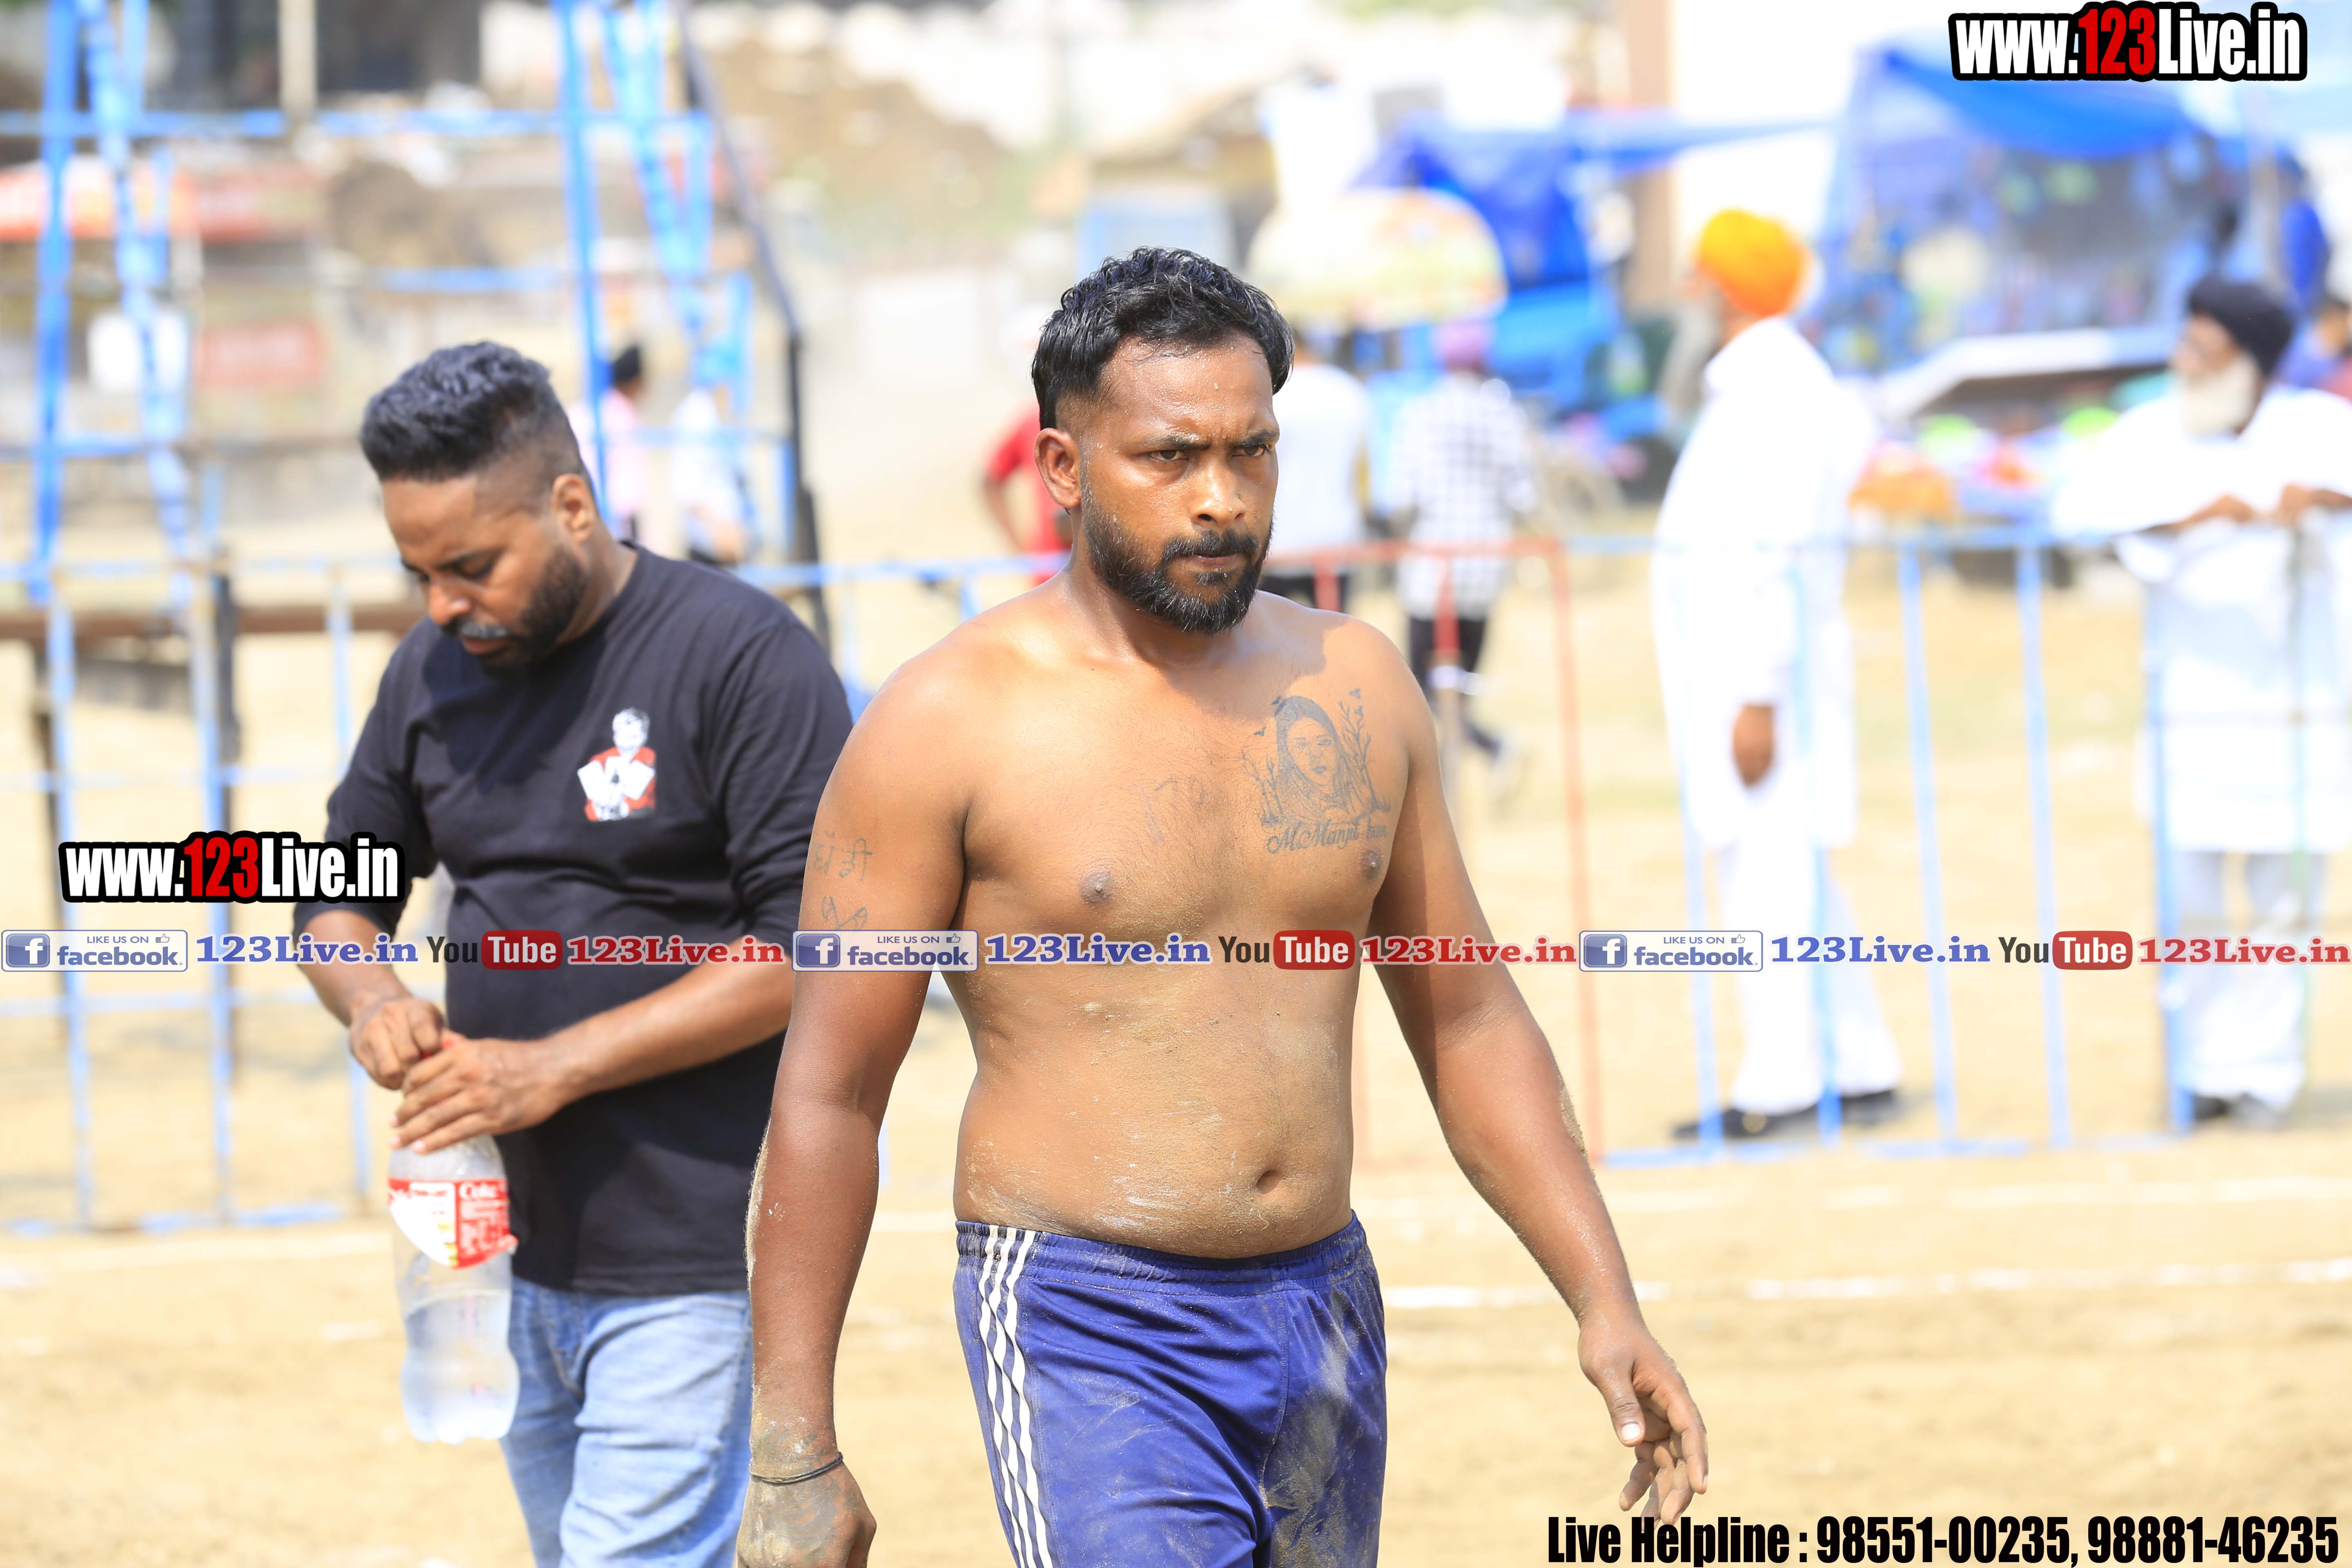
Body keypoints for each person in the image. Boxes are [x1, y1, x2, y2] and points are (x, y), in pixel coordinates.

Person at [734, 248, 1705, 1568]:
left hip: (1322, 1308)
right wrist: (794, 1445)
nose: (1220, 499)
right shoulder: (946, 723)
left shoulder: (1357, 685)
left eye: (1252, 453)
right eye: (1171, 458)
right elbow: (832, 1092)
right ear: (1064, 468)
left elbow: (1469, 1019)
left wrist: (1606, 1298)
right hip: (1089, 1318)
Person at [295, 342, 851, 1567]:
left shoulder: (741, 654)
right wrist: (373, 998)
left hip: (693, 1254)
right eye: (418, 571)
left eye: (471, 566)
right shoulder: (430, 674)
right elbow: (332, 896)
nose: (443, 604)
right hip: (497, 1257)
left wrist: (549, 1066)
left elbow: (806, 950)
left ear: (572, 504)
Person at [2053, 277, 2352, 1129]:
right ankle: (2204, 1070)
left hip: (2299, 705)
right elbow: (2074, 514)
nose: (2185, 363)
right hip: (2192, 702)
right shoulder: (2153, 431)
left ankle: (2266, 1077)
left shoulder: (2319, 426)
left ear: (2250, 362)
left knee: (2286, 905)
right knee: (2191, 903)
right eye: (2184, 345)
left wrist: (2323, 501)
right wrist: (2187, 515)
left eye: (2205, 350)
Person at [1650, 209, 1902, 1142]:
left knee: (1765, 872)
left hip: (1761, 675)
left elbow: (1779, 554)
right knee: (1790, 870)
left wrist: (1756, 694)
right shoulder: (1756, 385)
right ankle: (1859, 1064)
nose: (1684, 292)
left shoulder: (1779, 391)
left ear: (1724, 291)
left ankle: (1782, 1084)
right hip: (1746, 669)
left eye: (1695, 275)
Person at [1386, 316, 1537, 778]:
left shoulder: (1420, 413)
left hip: (1431, 567)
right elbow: (1524, 497)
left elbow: (1403, 497)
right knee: (1464, 685)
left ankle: (1470, 762)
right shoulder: (1505, 413)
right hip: (1485, 564)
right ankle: (1481, 756)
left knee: (1419, 684)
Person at [1260, 329, 1372, 612]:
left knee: (1271, 630)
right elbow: (1363, 470)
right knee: (1334, 631)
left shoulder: (1273, 392)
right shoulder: (1350, 391)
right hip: (1337, 535)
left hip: (1279, 537)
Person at [672, 375, 756, 566]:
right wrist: (723, 529)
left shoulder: (718, 413)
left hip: (730, 539)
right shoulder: (696, 417)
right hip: (713, 543)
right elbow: (688, 490)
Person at [981, 403, 1068, 584]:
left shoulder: (1097, 414)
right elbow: (991, 480)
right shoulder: (1032, 420)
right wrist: (1019, 546)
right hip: (1049, 570)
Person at [570, 342, 649, 542]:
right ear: (635, 381)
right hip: (615, 521)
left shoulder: (580, 410)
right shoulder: (623, 414)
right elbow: (628, 491)